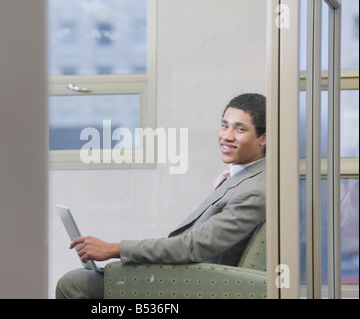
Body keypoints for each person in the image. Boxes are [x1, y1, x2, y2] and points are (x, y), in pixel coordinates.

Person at [56, 93, 267, 299]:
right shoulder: (242, 177)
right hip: (186, 272)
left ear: (264, 138)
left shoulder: (255, 190)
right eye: (224, 125)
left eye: (240, 129)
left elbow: (194, 246)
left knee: (74, 284)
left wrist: (114, 249)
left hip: (197, 283)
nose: (227, 136)